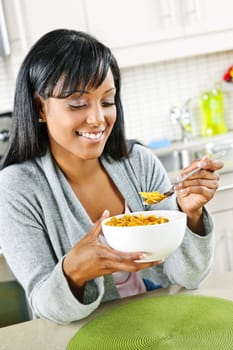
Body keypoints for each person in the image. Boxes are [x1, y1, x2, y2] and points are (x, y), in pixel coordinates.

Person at [0, 29, 223, 325]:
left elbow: (186, 276)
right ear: (41, 107)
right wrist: (74, 272)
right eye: (78, 104)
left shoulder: (139, 163)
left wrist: (190, 215)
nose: (97, 119)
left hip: (162, 321)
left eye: (107, 101)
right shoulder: (16, 187)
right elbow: (45, 306)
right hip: (85, 332)